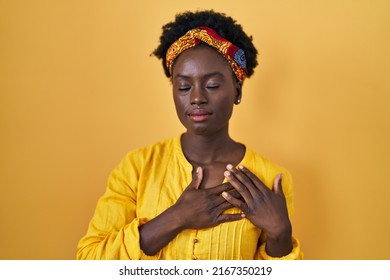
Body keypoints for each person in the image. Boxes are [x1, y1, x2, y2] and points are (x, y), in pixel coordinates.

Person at [77, 10, 303, 260]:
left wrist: (281, 234)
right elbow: (89, 261)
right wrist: (177, 216)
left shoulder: (271, 178)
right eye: (184, 86)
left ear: (237, 90)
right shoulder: (137, 168)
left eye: (212, 85)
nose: (196, 98)